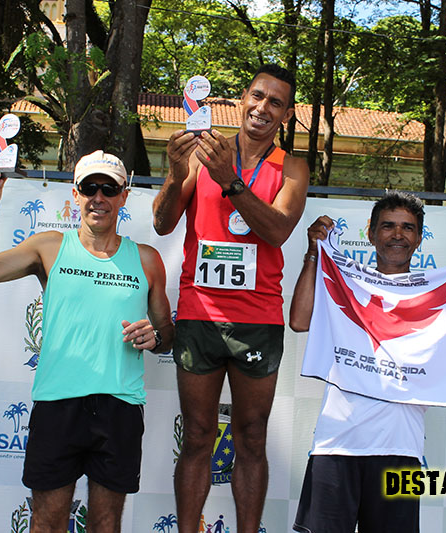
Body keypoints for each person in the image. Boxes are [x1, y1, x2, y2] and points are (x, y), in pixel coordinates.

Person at [0, 150, 174, 533]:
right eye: (89, 187)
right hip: (58, 404)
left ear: (124, 196)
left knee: (105, 525)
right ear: (75, 194)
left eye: (109, 189)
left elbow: (167, 334)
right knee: (47, 523)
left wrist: (154, 336)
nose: (98, 197)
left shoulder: (147, 259)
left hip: (119, 407)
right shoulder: (49, 247)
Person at [289, 191, 446, 533]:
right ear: (371, 234)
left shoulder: (437, 294)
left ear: (419, 238)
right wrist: (313, 252)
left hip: (400, 449)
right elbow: (299, 320)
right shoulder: (347, 284)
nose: (397, 234)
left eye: (407, 228)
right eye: (388, 226)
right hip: (336, 445)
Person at [152, 63, 309, 533]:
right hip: (199, 314)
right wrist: (176, 171)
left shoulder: (292, 168)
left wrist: (231, 180)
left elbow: (277, 231)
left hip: (257, 319)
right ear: (243, 98)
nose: (263, 107)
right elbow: (162, 222)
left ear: (286, 115)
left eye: (276, 102)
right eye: (257, 96)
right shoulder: (203, 153)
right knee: (198, 435)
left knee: (252, 438)